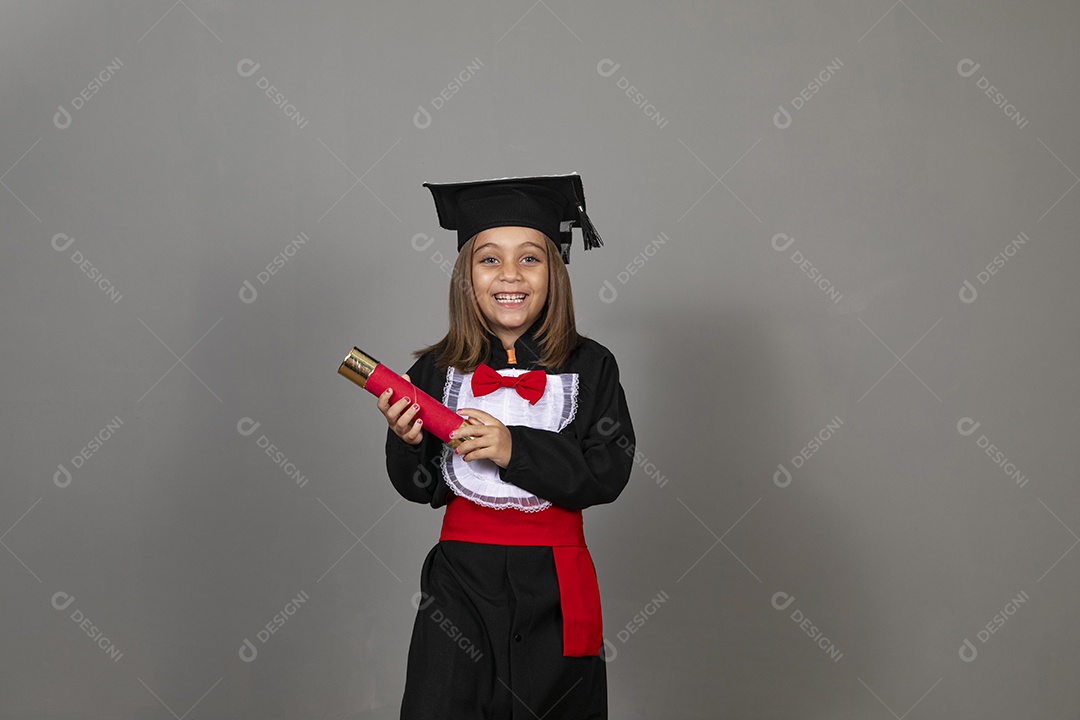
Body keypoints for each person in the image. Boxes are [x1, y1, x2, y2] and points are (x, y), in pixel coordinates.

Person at [376, 173, 636, 720]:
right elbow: (420, 488)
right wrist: (406, 441)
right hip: (461, 584)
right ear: (465, 276)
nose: (509, 275)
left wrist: (512, 447)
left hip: (556, 589)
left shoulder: (594, 366)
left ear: (555, 272)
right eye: (489, 259)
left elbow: (606, 474)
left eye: (531, 259)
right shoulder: (435, 370)